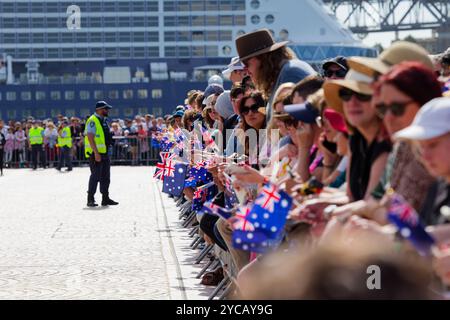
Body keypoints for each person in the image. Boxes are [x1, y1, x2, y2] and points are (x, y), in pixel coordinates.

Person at [235, 28, 316, 122]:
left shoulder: (289, 73)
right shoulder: (285, 72)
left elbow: (297, 124)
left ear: (263, 58)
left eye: (246, 64)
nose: (246, 71)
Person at [394, 97, 450, 226]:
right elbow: (424, 233)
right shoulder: (438, 186)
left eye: (433, 145)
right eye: (421, 147)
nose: (425, 156)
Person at [84, 101, 118, 207]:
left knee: (106, 177)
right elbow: (90, 137)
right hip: (96, 154)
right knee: (95, 176)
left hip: (104, 153)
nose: (107, 110)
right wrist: (96, 153)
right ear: (99, 109)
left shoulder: (103, 120)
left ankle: (105, 198)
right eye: (105, 109)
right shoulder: (92, 120)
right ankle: (90, 199)